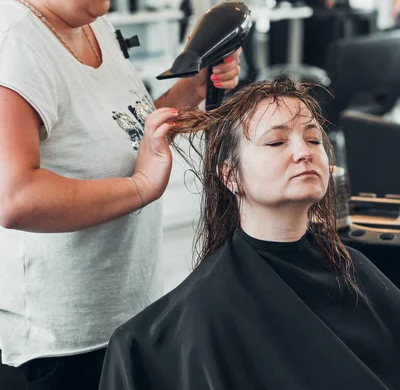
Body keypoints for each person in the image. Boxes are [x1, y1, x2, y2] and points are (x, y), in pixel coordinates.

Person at [0, 0, 241, 390]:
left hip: (125, 321)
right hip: (57, 350)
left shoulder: (94, 26)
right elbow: (14, 197)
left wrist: (192, 87)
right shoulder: (15, 43)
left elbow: (132, 129)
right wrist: (138, 188)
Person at [99, 76, 400, 390]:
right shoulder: (199, 317)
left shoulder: (356, 271)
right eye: (276, 142)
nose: (304, 152)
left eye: (313, 139)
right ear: (231, 176)